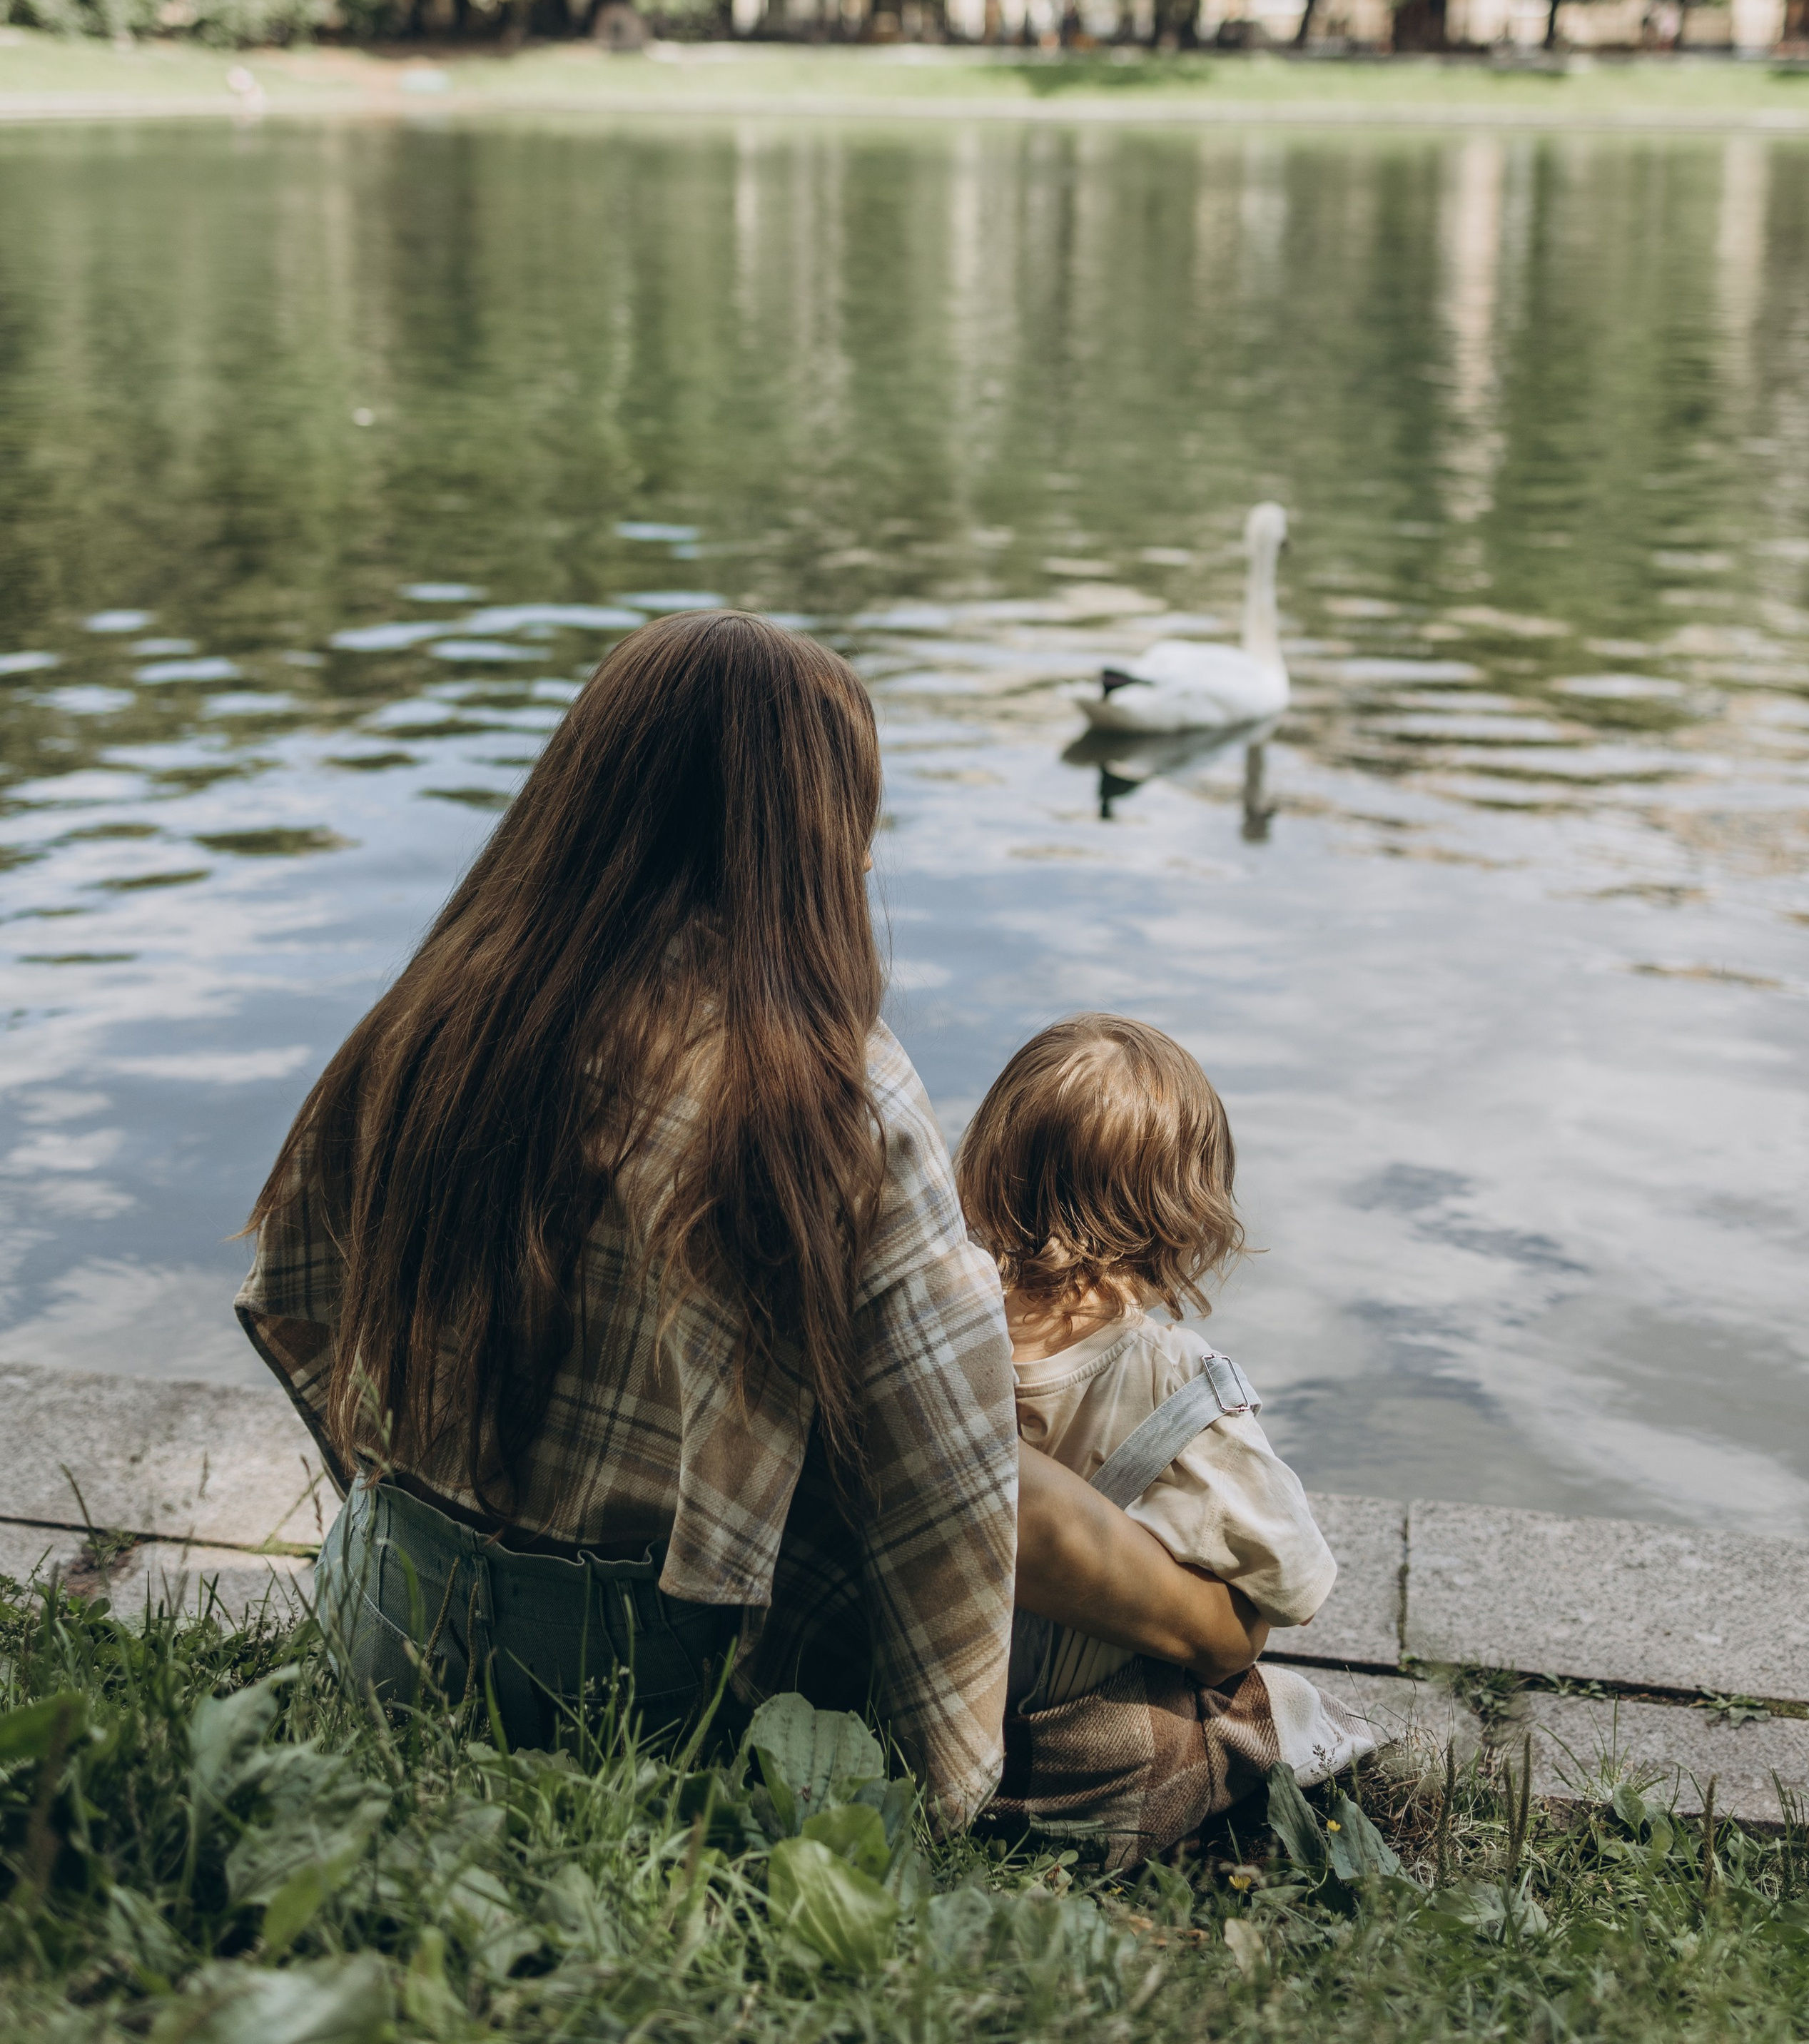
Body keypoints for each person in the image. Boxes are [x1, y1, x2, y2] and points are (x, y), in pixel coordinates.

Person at [236, 612, 1257, 1830]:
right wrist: (943, 1780)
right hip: (625, 1694)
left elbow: (300, 1302)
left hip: (385, 1618)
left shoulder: (439, 1009)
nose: (866, 860)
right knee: (1175, 1735)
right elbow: (947, 1478)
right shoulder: (829, 1093)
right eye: (857, 819)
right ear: (811, 837)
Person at [956, 1012, 1372, 1868]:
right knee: (1260, 1702)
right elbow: (1288, 1581)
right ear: (1184, 1211)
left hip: (921, 1707)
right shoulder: (1179, 1379)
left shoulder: (941, 1325)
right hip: (1079, 1766)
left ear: (988, 1163)